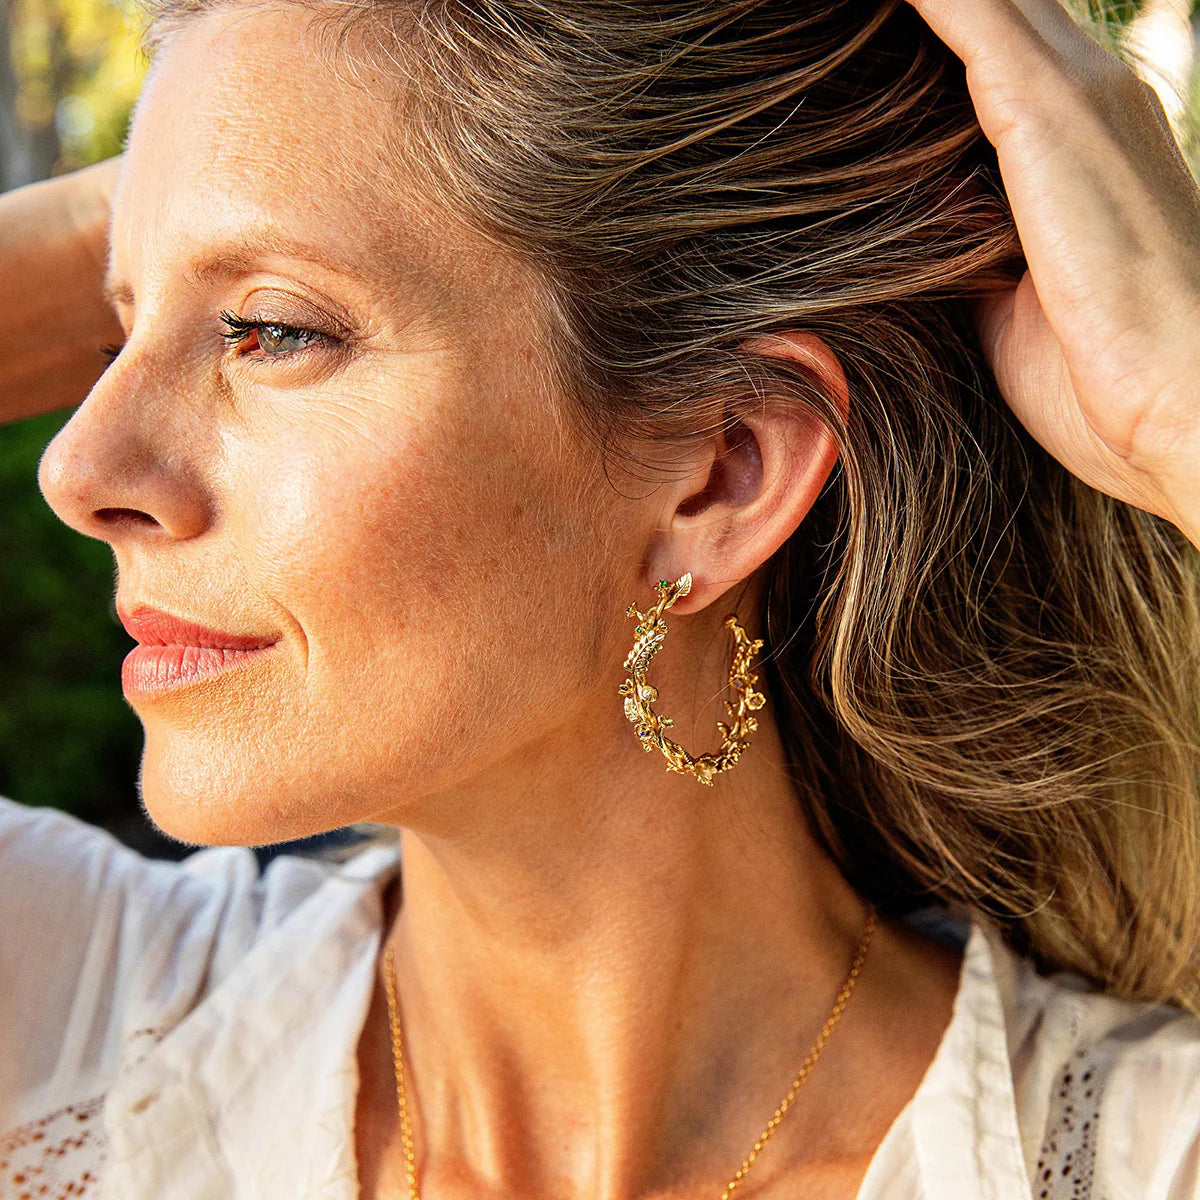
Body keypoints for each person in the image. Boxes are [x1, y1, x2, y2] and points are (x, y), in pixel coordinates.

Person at [1, 0, 1199, 1197]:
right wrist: (220, 150)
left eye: (270, 331)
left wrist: (1179, 410)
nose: (79, 470)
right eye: (117, 331)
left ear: (722, 473)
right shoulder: (84, 1034)